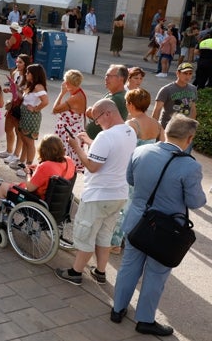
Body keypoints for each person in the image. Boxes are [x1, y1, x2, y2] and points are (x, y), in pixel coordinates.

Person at [111, 114, 206, 337]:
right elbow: (196, 202)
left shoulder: (141, 150)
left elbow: (131, 180)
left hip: (137, 221)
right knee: (155, 274)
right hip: (166, 231)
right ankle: (144, 320)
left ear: (166, 130)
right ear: (189, 138)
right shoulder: (190, 167)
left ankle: (117, 309)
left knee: (128, 267)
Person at [54, 99, 137, 286]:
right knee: (104, 234)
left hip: (99, 194)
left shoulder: (105, 137)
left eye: (97, 119)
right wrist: (90, 142)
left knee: (86, 232)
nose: (96, 123)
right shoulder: (130, 131)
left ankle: (75, 272)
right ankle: (100, 272)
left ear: (108, 113)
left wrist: (76, 147)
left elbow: (92, 166)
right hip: (119, 194)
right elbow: (112, 153)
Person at [110, 88, 165, 253]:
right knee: (138, 207)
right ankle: (130, 239)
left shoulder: (132, 124)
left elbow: (122, 148)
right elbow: (162, 147)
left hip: (130, 170)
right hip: (149, 171)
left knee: (123, 207)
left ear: (131, 104)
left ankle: (115, 242)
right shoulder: (157, 124)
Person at [0, 135, 76, 224]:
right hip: (57, 202)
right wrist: (37, 168)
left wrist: (28, 173)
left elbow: (29, 188)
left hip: (37, 200)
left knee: (4, 187)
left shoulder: (45, 167)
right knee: (14, 184)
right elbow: (54, 170)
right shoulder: (68, 161)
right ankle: (4, 215)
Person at [17, 64, 49, 177]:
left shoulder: (38, 86)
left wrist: (35, 109)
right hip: (25, 115)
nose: (26, 74)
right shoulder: (32, 85)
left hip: (31, 117)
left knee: (29, 143)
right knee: (25, 140)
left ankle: (28, 167)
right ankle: (23, 163)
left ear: (34, 74)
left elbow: (45, 101)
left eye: (28, 73)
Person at [52, 69, 87, 172]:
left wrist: (62, 93)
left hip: (68, 134)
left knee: (66, 163)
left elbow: (55, 109)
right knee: (70, 164)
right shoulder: (79, 93)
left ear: (67, 83)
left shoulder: (75, 98)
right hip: (72, 131)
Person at [0, 54, 30, 167]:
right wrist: (10, 90)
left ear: (26, 64)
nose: (17, 64)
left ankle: (16, 154)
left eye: (20, 62)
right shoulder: (15, 73)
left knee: (18, 131)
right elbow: (15, 89)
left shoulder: (28, 77)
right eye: (17, 62)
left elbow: (25, 94)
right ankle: (8, 150)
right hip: (13, 103)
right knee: (8, 127)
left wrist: (16, 90)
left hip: (21, 105)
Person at [86, 64, 128, 140]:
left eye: (109, 76)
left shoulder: (118, 98)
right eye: (106, 75)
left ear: (121, 79)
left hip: (103, 142)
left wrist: (91, 113)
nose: (106, 78)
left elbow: (103, 118)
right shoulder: (110, 94)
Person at [151, 62, 198, 129]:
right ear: (177, 73)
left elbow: (193, 109)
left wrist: (192, 127)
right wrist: (154, 128)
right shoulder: (166, 89)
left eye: (190, 74)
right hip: (167, 127)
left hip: (184, 128)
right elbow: (157, 109)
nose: (187, 76)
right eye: (185, 73)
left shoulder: (193, 89)